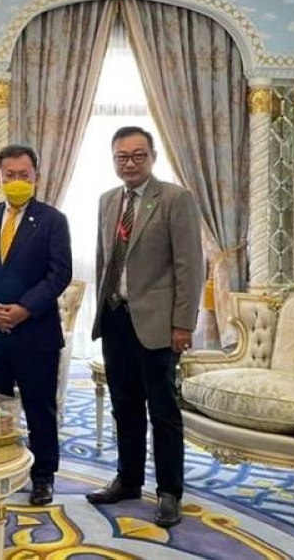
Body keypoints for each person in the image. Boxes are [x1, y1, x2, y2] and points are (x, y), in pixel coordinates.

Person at [87, 126, 203, 529]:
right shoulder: (107, 201)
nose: (130, 163)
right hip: (116, 318)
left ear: (152, 157)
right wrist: (99, 313)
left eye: (138, 155)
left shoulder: (175, 199)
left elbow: (190, 266)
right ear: (113, 159)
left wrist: (183, 324)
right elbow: (105, 262)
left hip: (159, 325)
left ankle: (169, 492)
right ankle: (129, 479)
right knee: (125, 407)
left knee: (164, 411)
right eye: (122, 156)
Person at [0, 144, 72, 506]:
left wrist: (24, 308)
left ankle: (43, 477)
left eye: (24, 175)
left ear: (36, 177)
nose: (17, 181)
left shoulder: (53, 220)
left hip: (35, 333)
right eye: (10, 176)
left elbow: (60, 274)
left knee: (40, 408)